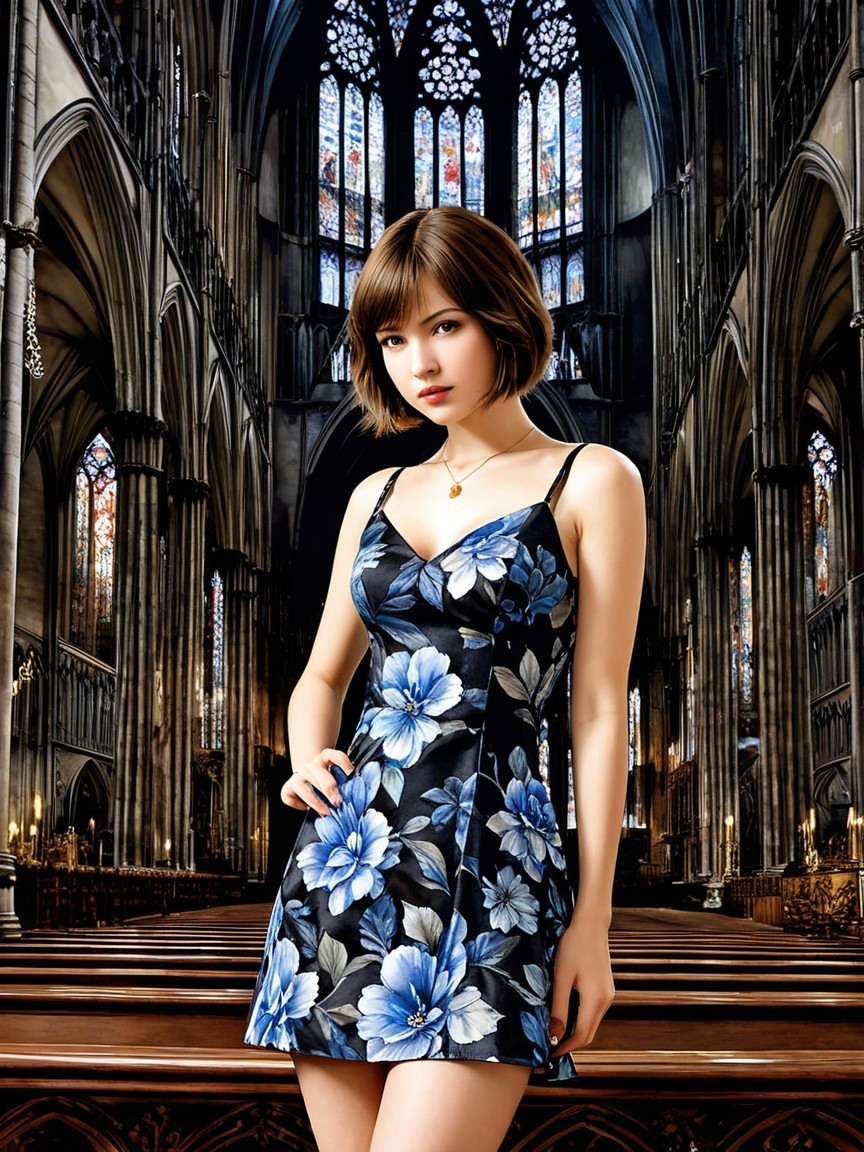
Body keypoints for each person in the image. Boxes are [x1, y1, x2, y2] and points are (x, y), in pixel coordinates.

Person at [244, 206, 646, 1152]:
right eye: (392, 338)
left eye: (444, 326)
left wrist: (593, 921)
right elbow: (321, 676)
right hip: (347, 861)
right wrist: (311, 758)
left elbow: (596, 712)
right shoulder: (371, 496)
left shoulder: (593, 481)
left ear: (504, 319)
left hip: (496, 868)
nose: (417, 362)